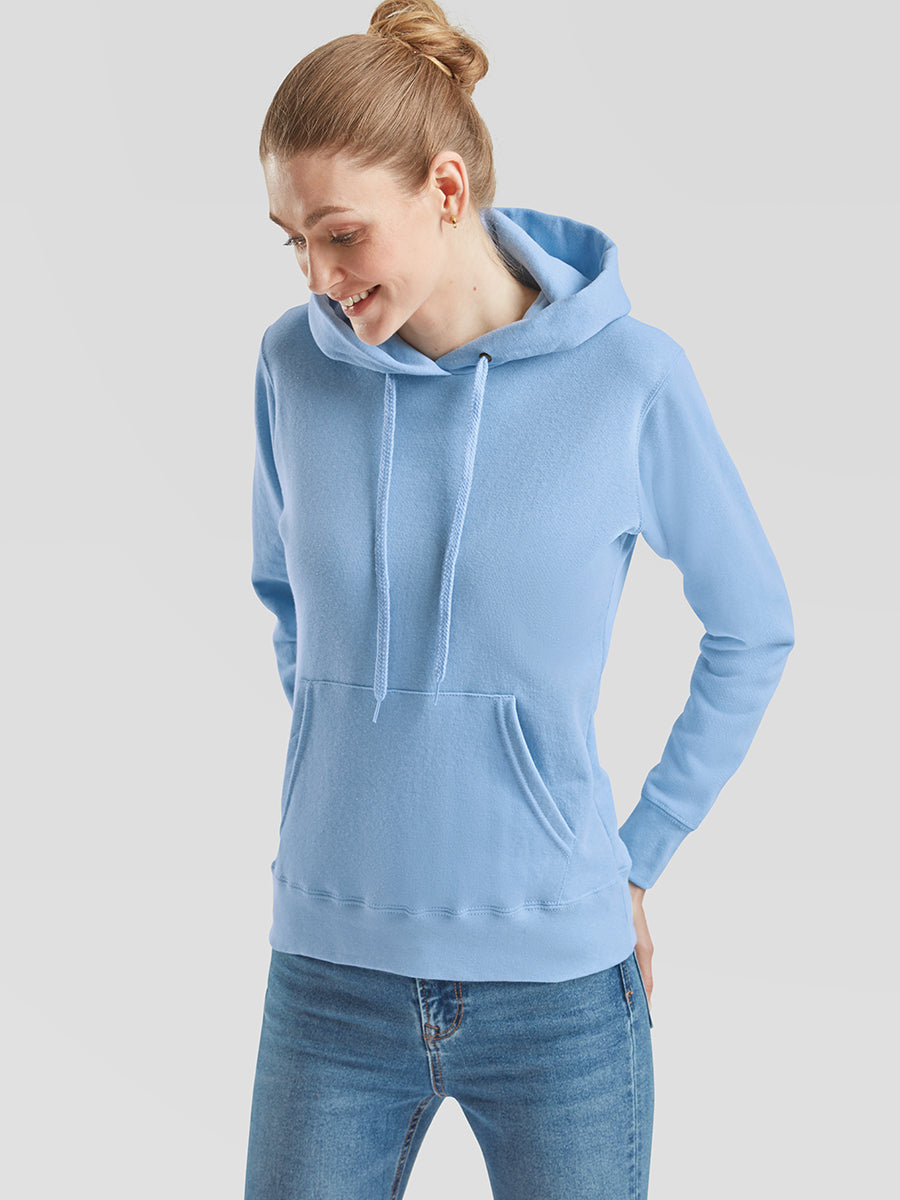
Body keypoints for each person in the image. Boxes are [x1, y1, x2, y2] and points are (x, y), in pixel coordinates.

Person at [243, 4, 795, 1197]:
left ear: (445, 189)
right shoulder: (293, 365)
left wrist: (638, 855)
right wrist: (363, 753)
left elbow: (754, 625)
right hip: (327, 975)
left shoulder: (631, 378)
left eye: (341, 235)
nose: (320, 278)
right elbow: (286, 593)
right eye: (292, 242)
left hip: (559, 993)